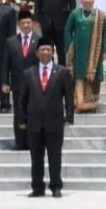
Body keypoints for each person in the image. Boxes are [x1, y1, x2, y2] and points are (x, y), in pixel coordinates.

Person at [16, 37, 74, 198]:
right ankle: (37, 187)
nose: (46, 52)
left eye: (49, 49)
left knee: (55, 156)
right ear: (37, 52)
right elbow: (22, 99)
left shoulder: (62, 72)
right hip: (34, 122)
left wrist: (69, 116)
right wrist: (22, 119)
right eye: (43, 49)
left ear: (53, 52)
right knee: (36, 158)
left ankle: (56, 186)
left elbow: (69, 97)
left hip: (55, 121)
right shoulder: (28, 73)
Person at [1, 10, 41, 150]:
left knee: (33, 112)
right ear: (19, 24)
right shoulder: (11, 41)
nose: (26, 25)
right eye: (23, 23)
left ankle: (33, 142)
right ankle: (20, 142)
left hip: (35, 84)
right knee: (19, 112)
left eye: (28, 22)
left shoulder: (39, 40)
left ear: (32, 24)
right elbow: (5, 63)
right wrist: (5, 82)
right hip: (17, 83)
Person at [64, 0, 106, 112]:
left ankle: (91, 102)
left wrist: (105, 50)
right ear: (81, 0)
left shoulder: (100, 15)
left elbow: (105, 33)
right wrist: (69, 46)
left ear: (93, 0)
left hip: (95, 53)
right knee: (79, 74)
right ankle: (79, 101)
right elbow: (67, 30)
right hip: (78, 51)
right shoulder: (75, 14)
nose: (87, 0)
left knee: (93, 76)